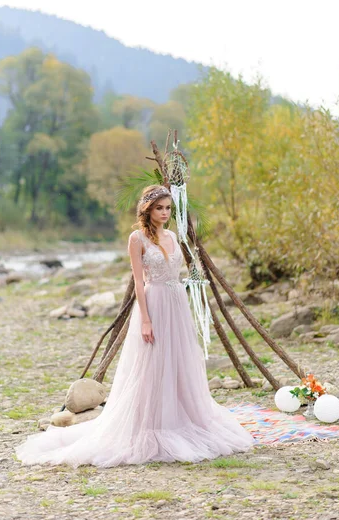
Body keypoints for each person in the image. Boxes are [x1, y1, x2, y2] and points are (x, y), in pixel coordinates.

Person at [15, 185, 254, 468]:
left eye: (167, 208)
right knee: (151, 363)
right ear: (147, 210)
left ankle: (180, 416)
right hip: (154, 302)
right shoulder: (137, 238)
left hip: (177, 302)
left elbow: (177, 272)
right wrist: (146, 319)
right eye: (159, 208)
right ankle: (150, 422)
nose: (164, 213)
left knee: (178, 360)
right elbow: (139, 282)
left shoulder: (173, 236)